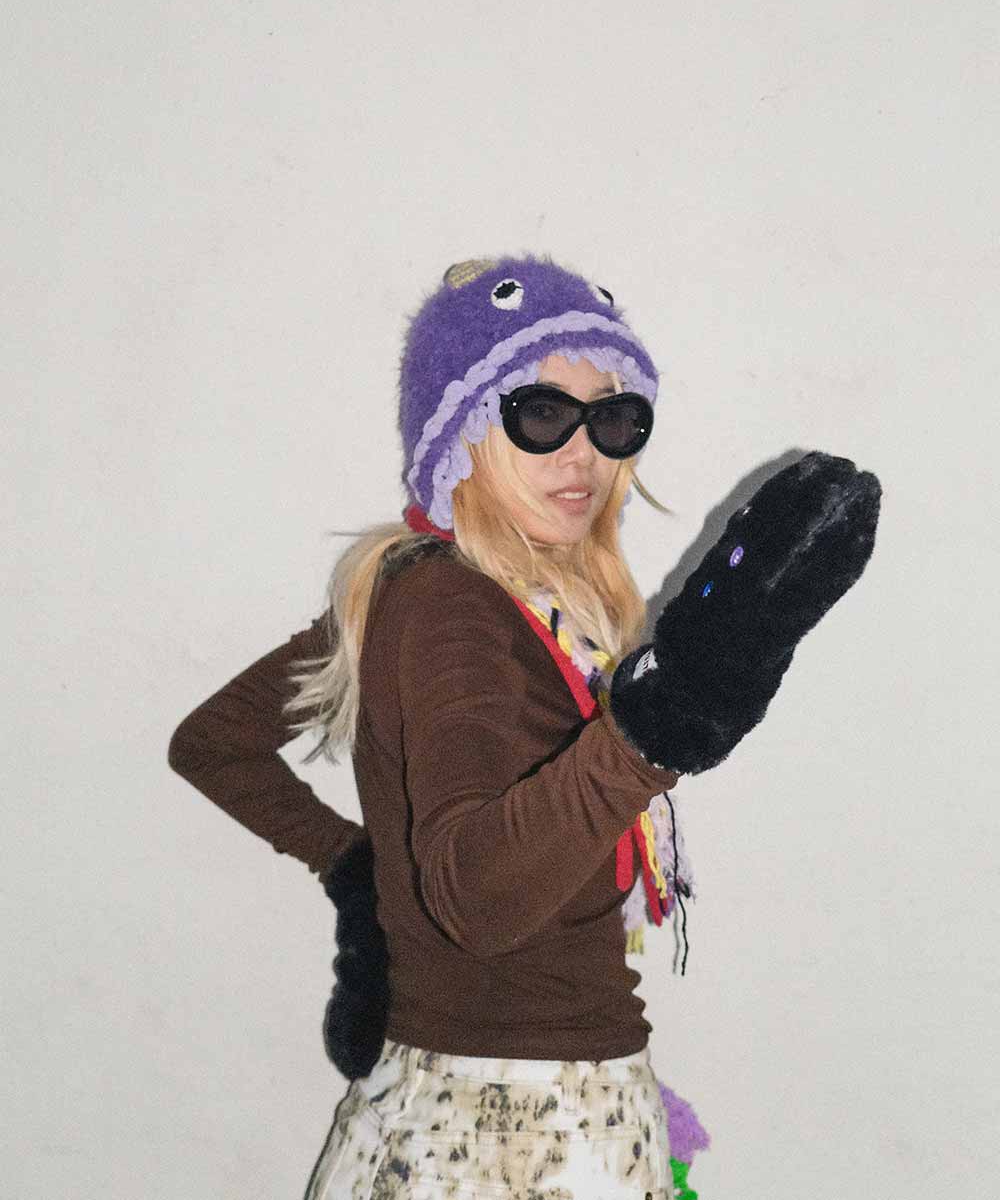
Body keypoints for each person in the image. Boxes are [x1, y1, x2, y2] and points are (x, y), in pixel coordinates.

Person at [168, 251, 880, 1199]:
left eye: (613, 419)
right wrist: (650, 734)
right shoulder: (453, 609)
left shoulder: (458, 594)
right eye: (542, 415)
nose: (584, 454)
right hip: (518, 1136)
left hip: (474, 1115)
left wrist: (359, 869)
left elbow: (214, 745)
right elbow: (478, 900)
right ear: (459, 433)